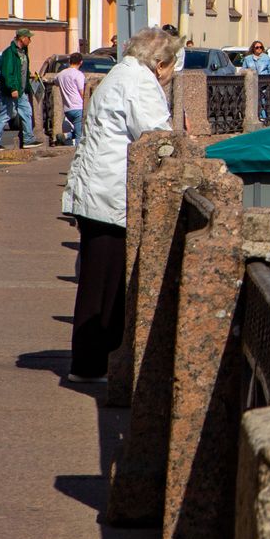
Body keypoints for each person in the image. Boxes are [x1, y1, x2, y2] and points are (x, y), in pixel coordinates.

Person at [60, 26, 183, 384]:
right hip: (112, 195)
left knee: (98, 280)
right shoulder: (142, 83)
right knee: (105, 285)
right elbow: (157, 136)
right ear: (160, 63)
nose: (171, 76)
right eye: (172, 67)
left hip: (98, 191)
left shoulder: (120, 73)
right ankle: (91, 365)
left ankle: (91, 363)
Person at [0, 27, 38, 151]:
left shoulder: (23, 51)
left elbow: (21, 69)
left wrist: (29, 75)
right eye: (28, 38)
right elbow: (7, 72)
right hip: (11, 91)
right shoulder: (9, 53)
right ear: (22, 38)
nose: (30, 40)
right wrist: (12, 88)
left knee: (27, 113)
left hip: (21, 91)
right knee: (5, 115)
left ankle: (28, 140)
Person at [56, 53, 88, 146]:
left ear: (70, 61)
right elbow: (82, 92)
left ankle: (66, 136)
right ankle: (77, 155)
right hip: (78, 106)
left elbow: (56, 82)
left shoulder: (61, 74)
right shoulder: (79, 75)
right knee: (80, 135)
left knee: (80, 130)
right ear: (81, 62)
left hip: (67, 108)